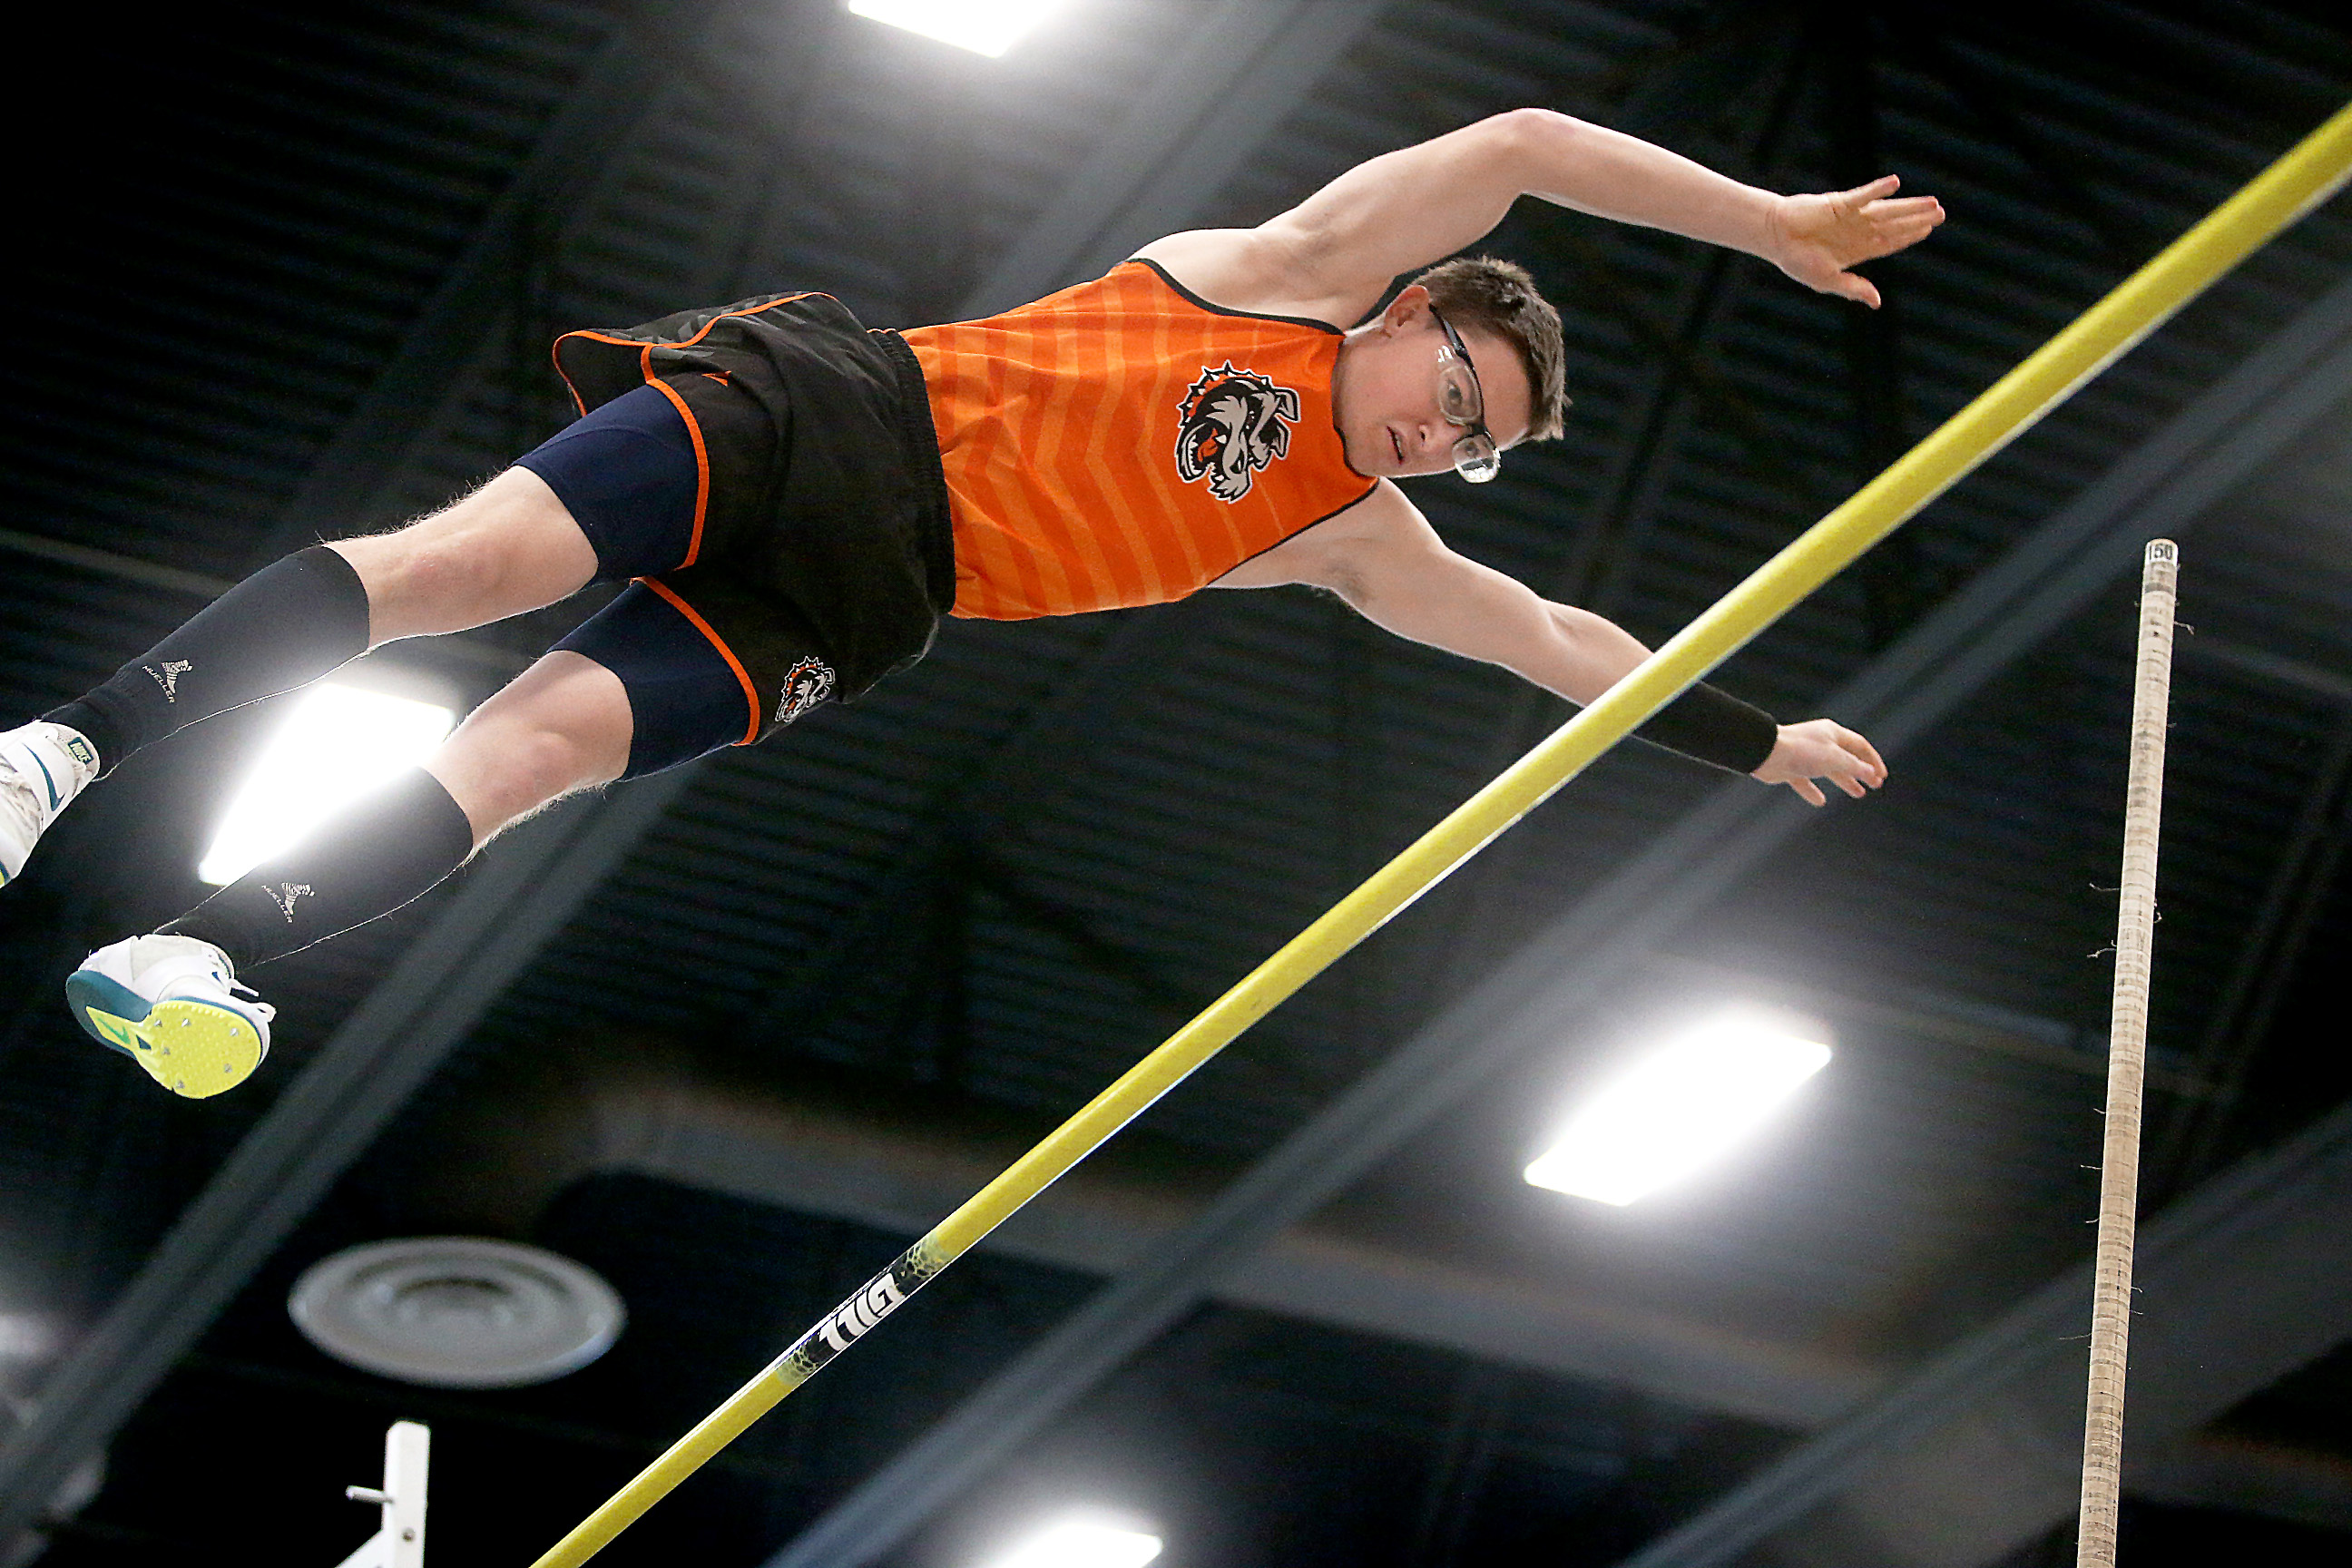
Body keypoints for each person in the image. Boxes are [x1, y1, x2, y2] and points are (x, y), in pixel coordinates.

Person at [0, 109, 1937, 1098]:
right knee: (453, 576)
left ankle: (196, 947)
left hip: (879, 594)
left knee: (530, 759)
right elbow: (1520, 154)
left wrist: (1752, 736)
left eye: (1483, 449)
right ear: (1413, 313)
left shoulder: (1345, 534)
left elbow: (1556, 647)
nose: (1451, 445)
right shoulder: (1281, 268)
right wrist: (1766, 226)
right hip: (831, 425)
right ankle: (64, 747)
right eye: (1460, 399)